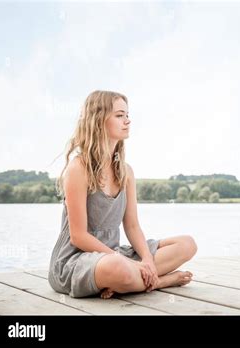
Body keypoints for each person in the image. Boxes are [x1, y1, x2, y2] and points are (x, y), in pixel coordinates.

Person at [48, 90, 197, 299]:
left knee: (187, 244)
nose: (127, 121)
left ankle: (132, 279)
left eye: (127, 115)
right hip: (76, 261)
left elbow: (132, 226)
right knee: (118, 267)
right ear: (98, 120)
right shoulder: (78, 168)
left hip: (114, 253)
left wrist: (146, 259)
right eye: (119, 115)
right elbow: (78, 236)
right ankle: (160, 281)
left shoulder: (125, 171)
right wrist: (126, 262)